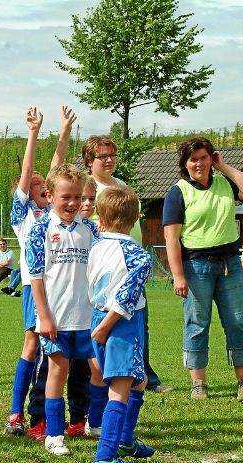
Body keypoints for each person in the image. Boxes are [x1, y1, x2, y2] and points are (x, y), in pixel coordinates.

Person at [163, 137, 243, 401]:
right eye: (193, 159)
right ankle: (199, 384)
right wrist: (179, 275)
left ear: (211, 159)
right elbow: (171, 238)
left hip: (230, 264)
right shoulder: (178, 192)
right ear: (185, 163)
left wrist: (225, 167)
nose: (199, 163)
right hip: (196, 267)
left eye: (204, 157)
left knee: (238, 321)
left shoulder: (224, 183)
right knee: (197, 323)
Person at [79, 132, 174, 394]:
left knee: (138, 318)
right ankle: (111, 377)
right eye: (102, 156)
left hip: (131, 261)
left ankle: (142, 375)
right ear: (89, 160)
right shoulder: (88, 188)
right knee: (109, 318)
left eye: (112, 155)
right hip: (108, 265)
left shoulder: (120, 184)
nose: (109, 160)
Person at [27, 162, 104, 456]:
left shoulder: (90, 230)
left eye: (78, 197)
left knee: (97, 369)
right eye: (66, 197)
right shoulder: (41, 230)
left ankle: (93, 424)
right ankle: (55, 434)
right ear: (50, 195)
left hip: (87, 317)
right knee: (57, 372)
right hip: (56, 318)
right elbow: (36, 278)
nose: (73, 203)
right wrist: (44, 316)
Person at [89, 186, 154, 463]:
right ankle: (106, 457)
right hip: (119, 323)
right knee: (120, 388)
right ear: (137, 218)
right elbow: (126, 296)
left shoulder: (96, 246)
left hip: (98, 315)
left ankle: (126, 441)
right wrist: (105, 328)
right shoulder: (138, 255)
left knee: (137, 380)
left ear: (100, 218)